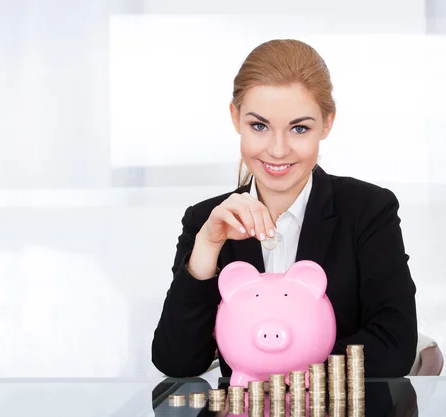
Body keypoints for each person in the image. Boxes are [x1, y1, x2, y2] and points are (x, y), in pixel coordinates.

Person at [151, 39, 418, 378]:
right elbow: (176, 361)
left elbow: (395, 344)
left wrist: (276, 368)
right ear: (235, 118)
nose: (277, 150)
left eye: (299, 128)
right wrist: (206, 248)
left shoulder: (368, 211)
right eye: (259, 126)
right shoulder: (206, 221)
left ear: (327, 124)